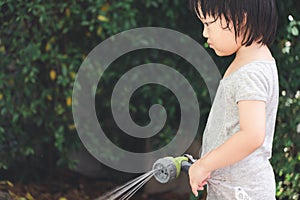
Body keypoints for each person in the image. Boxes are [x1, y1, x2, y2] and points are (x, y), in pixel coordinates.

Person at [188, 0, 279, 199]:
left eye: (208, 24)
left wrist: (205, 164)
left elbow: (252, 135)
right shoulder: (251, 61)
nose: (205, 33)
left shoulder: (250, 73)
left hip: (241, 192)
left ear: (241, 19)